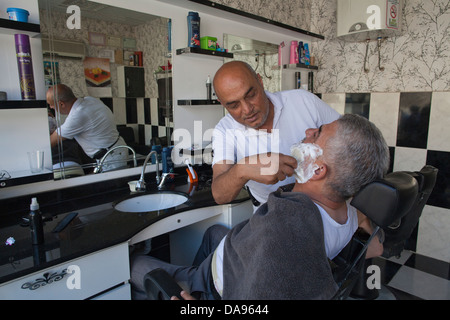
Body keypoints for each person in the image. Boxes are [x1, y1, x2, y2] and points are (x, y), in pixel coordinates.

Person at [130, 114, 390, 300]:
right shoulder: (348, 208)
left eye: (318, 132)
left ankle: (197, 284)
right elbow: (376, 246)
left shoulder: (283, 228)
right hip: (236, 257)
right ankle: (198, 274)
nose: (309, 130)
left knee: (132, 264)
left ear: (319, 170)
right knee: (213, 234)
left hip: (222, 283)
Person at [211, 61, 340, 211]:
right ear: (222, 104)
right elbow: (220, 195)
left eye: (251, 95)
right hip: (271, 215)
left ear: (260, 81)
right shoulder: (224, 130)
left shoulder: (303, 101)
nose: (247, 110)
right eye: (234, 105)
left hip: (324, 206)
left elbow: (349, 137)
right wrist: (243, 169)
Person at [46, 84, 128, 172]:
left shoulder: (78, 115)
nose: (51, 107)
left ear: (61, 104)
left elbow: (50, 142)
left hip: (111, 157)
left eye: (51, 105)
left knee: (114, 184)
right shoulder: (90, 100)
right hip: (116, 150)